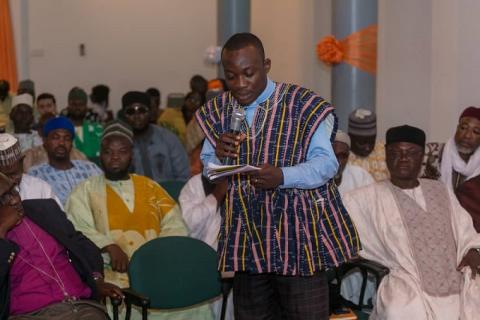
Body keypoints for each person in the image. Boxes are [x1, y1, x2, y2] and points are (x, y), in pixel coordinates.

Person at [196, 32, 359, 320]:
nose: (241, 84)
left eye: (249, 73)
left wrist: (282, 176)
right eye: (232, 77)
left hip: (298, 240)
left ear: (266, 65)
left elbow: (327, 164)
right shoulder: (220, 110)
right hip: (248, 237)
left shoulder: (302, 104)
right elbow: (209, 169)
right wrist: (218, 156)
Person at [66, 121, 213, 320]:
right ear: (100, 154)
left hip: (159, 267)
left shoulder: (151, 187)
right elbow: (78, 230)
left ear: (131, 155)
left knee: (195, 306)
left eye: (122, 151)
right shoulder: (84, 191)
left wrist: (154, 255)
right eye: (108, 152)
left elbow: (174, 223)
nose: (115, 157)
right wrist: (108, 245)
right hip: (113, 274)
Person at [342, 125, 480, 320]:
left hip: (455, 275)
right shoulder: (366, 198)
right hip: (408, 280)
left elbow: (466, 230)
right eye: (395, 152)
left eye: (411, 152)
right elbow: (339, 230)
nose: (403, 158)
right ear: (386, 156)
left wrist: (473, 251)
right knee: (399, 311)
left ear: (422, 155)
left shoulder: (440, 190)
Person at [0, 171, 123, 319]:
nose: (14, 200)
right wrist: (1, 230)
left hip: (80, 307)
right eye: (3, 198)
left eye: (13, 191)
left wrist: (96, 279)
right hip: (29, 315)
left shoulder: (44, 210)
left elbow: (81, 244)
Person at [27, 116, 102, 205]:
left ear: (71, 143)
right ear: (45, 141)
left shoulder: (90, 168)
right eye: (55, 137)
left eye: (67, 138)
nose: (61, 143)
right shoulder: (36, 174)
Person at [122, 91, 189, 183]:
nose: (137, 116)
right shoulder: (121, 144)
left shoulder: (168, 139)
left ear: (150, 112)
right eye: (131, 112)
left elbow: (183, 176)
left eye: (142, 111)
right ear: (124, 116)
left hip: (169, 194)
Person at [0, 133, 61, 207]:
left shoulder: (40, 188)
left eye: (14, 175)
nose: (12, 182)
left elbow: (57, 217)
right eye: (6, 177)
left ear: (22, 162)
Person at [23, 113, 88, 172]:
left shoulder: (80, 157)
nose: (61, 143)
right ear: (44, 139)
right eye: (56, 138)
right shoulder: (30, 156)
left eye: (67, 138)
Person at [347, 108, 389, 181]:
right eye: (362, 143)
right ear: (350, 137)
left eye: (372, 141)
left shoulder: (384, 152)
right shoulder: (341, 158)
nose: (368, 148)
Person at [61, 87, 103, 160]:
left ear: (86, 107)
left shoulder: (98, 130)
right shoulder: (61, 131)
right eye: (74, 104)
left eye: (81, 104)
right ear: (68, 106)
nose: (77, 107)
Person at [333, 130, 374, 195]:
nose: (338, 161)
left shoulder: (362, 177)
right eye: (334, 155)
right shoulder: (316, 180)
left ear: (348, 156)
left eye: (343, 156)